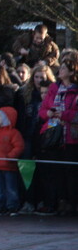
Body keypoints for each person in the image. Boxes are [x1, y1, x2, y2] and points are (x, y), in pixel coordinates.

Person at [37, 57, 78, 216]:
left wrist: (65, 115)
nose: (60, 70)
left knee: (71, 172)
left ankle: (73, 202)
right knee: (57, 171)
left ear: (72, 72)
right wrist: (48, 113)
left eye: (63, 68)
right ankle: (62, 201)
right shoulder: (54, 88)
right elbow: (43, 109)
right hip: (55, 135)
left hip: (72, 137)